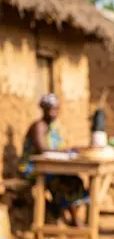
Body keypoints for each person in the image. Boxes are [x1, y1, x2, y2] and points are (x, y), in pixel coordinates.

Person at [18, 94, 88, 227]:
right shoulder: (38, 126)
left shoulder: (53, 128)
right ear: (44, 109)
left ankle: (68, 215)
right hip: (32, 168)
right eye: (51, 109)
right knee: (63, 182)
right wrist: (65, 152)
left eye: (56, 109)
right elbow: (43, 149)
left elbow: (55, 149)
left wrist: (70, 150)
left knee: (75, 180)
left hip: (50, 167)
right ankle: (58, 212)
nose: (54, 113)